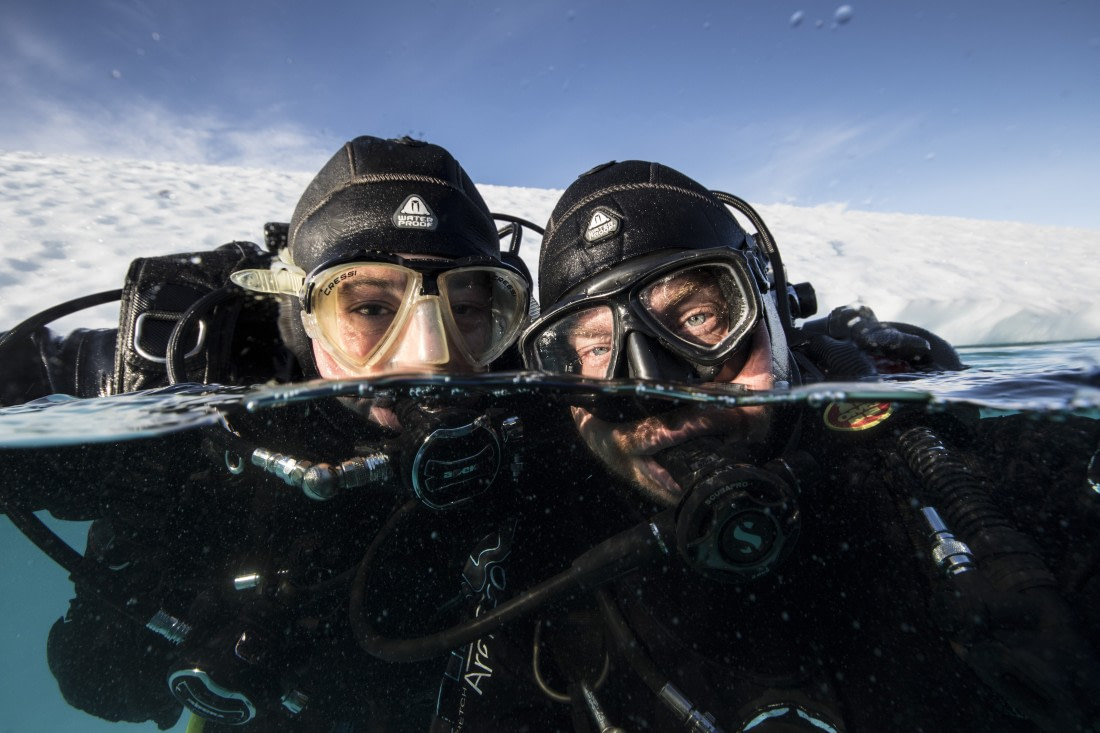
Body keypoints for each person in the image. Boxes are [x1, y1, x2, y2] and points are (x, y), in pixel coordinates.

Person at [423, 160, 1100, 732]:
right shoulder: (543, 547)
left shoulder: (935, 467)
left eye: (697, 318)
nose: (655, 388)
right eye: (596, 348)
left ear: (776, 308)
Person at [0, 135, 534, 731]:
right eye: (371, 308)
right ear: (303, 312)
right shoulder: (205, 390)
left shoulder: (532, 417)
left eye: (466, 309)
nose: (431, 357)